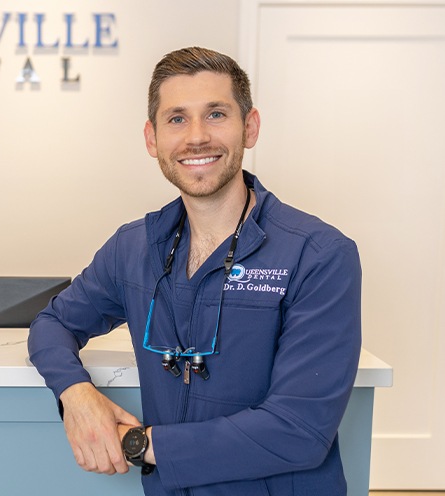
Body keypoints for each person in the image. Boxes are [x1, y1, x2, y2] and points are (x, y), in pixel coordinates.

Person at [27, 46, 362, 495]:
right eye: (177, 118)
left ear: (251, 127)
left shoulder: (319, 254)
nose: (197, 137)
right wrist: (76, 396)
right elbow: (52, 323)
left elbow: (298, 430)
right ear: (152, 138)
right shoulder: (134, 246)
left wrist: (137, 444)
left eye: (217, 114)